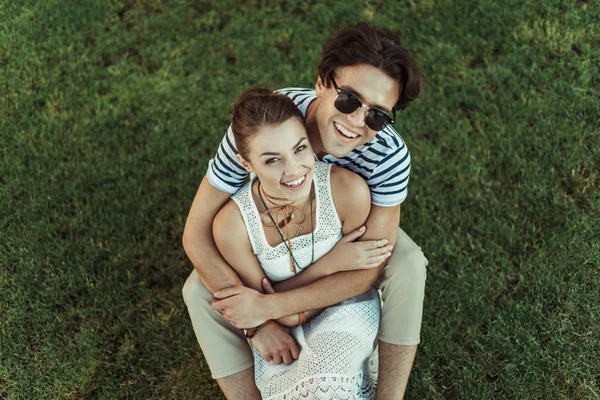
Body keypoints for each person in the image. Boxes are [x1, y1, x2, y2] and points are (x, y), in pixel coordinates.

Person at [182, 23, 427, 399]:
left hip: (349, 226)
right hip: (271, 221)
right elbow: (196, 233)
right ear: (321, 83)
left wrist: (269, 306)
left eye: (378, 115)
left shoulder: (388, 156)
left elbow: (367, 266)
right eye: (349, 99)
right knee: (198, 288)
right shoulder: (266, 123)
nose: (356, 122)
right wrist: (258, 326)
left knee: (407, 263)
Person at [213, 88, 385, 399]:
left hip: (347, 309)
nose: (294, 170)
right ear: (246, 163)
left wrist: (280, 305)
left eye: (299, 149)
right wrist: (330, 265)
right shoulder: (233, 226)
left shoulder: (348, 192)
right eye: (272, 160)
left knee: (325, 387)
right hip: (282, 335)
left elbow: (358, 282)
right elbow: (279, 314)